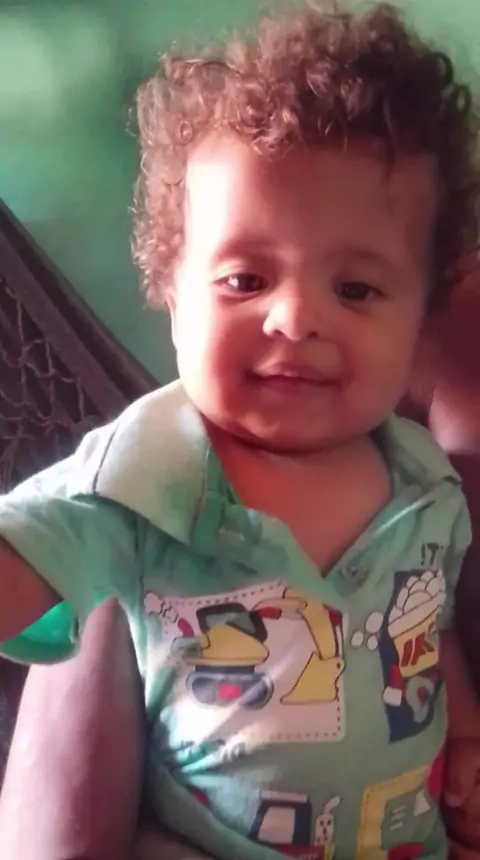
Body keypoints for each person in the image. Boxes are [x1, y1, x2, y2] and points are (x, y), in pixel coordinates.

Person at [0, 2, 480, 857]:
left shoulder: (424, 482)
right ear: (171, 287)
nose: (294, 318)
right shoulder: (140, 481)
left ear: (419, 318)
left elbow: (422, 629)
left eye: (356, 290)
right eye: (246, 280)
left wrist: (467, 735)